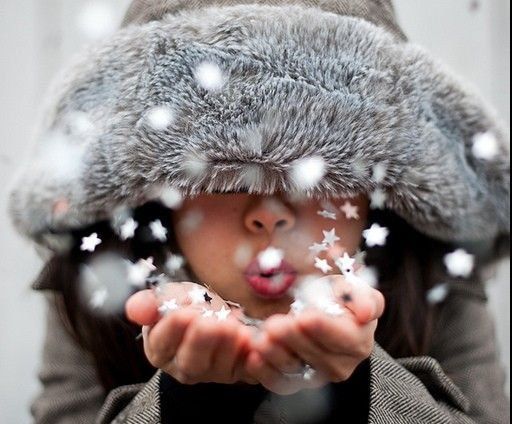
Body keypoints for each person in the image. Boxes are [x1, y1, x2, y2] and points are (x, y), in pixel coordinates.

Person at [8, 0, 510, 423]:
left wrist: (361, 383)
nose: (270, 214)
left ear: (377, 186)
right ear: (151, 189)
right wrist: (184, 401)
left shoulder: (433, 280)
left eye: (316, 171)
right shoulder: (95, 287)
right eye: (222, 174)